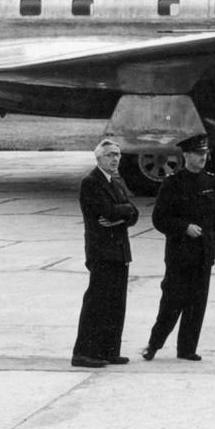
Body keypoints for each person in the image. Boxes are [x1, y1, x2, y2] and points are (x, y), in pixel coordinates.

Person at [143, 135, 215, 362]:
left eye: (205, 154)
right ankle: (153, 345)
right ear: (186, 155)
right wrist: (184, 228)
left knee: (197, 305)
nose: (203, 157)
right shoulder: (172, 183)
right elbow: (159, 219)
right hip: (180, 255)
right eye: (199, 154)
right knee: (172, 302)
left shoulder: (210, 181)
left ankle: (187, 349)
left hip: (204, 254)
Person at [72, 140, 139, 368]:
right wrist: (123, 214)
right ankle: (84, 352)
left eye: (118, 155)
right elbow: (106, 212)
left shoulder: (116, 182)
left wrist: (123, 214)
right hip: (102, 252)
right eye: (110, 155)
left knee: (116, 303)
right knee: (97, 303)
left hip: (120, 251)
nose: (115, 159)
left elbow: (134, 212)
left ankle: (110, 350)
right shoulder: (91, 182)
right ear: (99, 158)